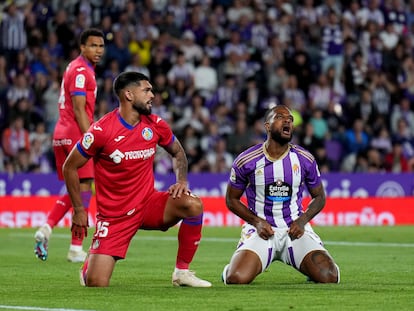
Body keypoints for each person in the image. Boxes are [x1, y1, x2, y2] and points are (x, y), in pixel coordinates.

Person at [63, 71, 212, 288]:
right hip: (114, 216)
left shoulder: (155, 124)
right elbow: (70, 167)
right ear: (129, 94)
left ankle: (182, 273)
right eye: (147, 90)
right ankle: (89, 267)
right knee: (96, 283)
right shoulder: (101, 131)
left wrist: (181, 181)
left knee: (192, 204)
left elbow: (178, 153)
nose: (153, 95)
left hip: (147, 204)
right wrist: (78, 210)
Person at [221, 105, 340, 285]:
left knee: (330, 277)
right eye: (280, 117)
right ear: (267, 126)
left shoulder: (304, 159)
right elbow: (231, 199)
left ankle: (309, 267)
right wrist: (257, 222)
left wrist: (302, 221)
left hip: (294, 230)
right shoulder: (247, 160)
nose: (287, 121)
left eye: (290, 119)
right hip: (261, 230)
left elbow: (320, 197)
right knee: (236, 278)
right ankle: (229, 268)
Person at [34, 28, 105, 262]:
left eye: (101, 46)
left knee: (76, 188)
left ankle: (49, 229)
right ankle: (74, 247)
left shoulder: (74, 67)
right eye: (93, 45)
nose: (98, 50)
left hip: (61, 133)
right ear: (82, 47)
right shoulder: (82, 71)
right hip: (75, 132)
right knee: (83, 190)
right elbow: (78, 108)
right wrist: (89, 139)